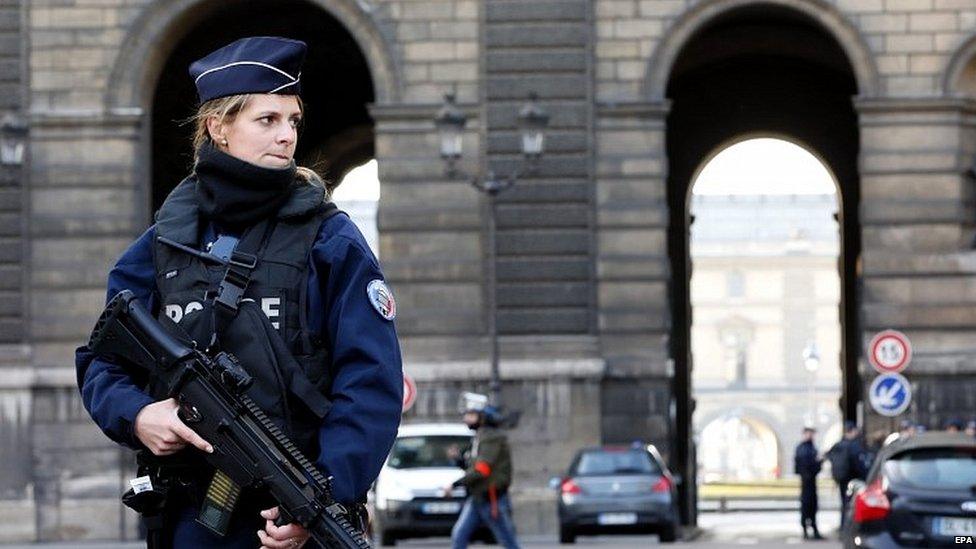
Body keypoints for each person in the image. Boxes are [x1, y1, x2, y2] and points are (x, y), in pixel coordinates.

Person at [74, 36, 403, 548]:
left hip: (291, 517)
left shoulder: (330, 239)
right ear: (218, 127)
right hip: (188, 516)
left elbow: (370, 380)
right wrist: (138, 414)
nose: (286, 136)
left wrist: (330, 493)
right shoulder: (163, 241)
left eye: (292, 120)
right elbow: (101, 361)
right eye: (266, 120)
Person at [442, 393, 521, 549]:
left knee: (508, 542)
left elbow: (482, 470)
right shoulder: (480, 436)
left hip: (492, 499)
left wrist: (455, 484)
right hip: (478, 497)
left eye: (471, 415)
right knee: (459, 536)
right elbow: (473, 467)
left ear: (482, 417)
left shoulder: (491, 437)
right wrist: (459, 460)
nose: (466, 419)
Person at [826, 421, 869, 529]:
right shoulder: (854, 446)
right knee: (852, 504)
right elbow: (859, 465)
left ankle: (843, 526)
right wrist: (865, 477)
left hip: (841, 479)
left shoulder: (837, 445)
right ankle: (850, 527)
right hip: (853, 480)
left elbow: (828, 456)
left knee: (844, 503)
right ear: (853, 431)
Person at [793, 427, 824, 540]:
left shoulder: (810, 447)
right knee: (807, 506)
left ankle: (813, 529)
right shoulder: (803, 448)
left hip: (810, 481)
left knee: (812, 506)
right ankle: (806, 530)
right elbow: (803, 465)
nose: (811, 436)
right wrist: (817, 462)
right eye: (809, 433)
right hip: (806, 481)